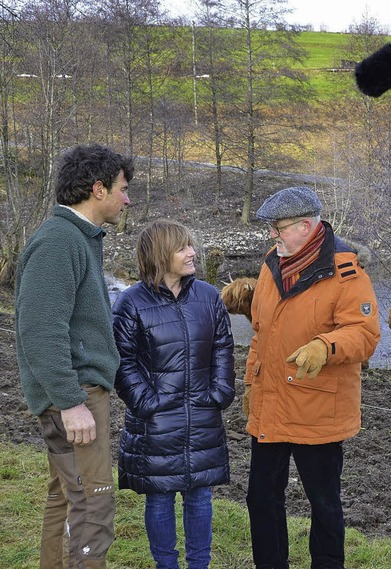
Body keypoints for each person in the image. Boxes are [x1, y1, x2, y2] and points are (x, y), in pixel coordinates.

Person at [243, 186, 380, 569]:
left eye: (279, 227)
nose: (273, 234)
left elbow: (364, 334)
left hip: (318, 409)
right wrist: (251, 382)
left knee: (324, 504)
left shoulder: (346, 271)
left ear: (305, 227)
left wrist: (326, 346)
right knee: (261, 499)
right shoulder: (272, 263)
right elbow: (260, 331)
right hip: (270, 405)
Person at [15, 144, 134, 568]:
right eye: (122, 189)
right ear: (98, 189)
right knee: (92, 504)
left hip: (77, 394)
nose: (127, 198)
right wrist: (70, 402)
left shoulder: (76, 238)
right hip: (75, 396)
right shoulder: (58, 241)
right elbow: (39, 330)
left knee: (67, 499)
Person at [112, 219, 235, 569]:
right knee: (160, 499)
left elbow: (223, 347)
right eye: (182, 248)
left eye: (190, 245)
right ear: (160, 255)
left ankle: (200, 565)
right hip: (156, 421)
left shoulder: (208, 296)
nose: (192, 252)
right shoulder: (131, 302)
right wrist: (147, 402)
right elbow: (123, 361)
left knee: (200, 497)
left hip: (202, 414)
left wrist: (220, 392)